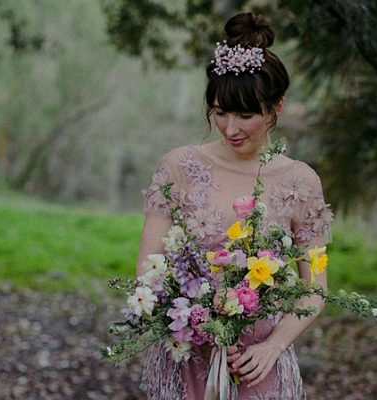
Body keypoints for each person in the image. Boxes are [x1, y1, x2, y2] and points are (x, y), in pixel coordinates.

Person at [136, 12, 333, 400]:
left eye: (246, 115)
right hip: (187, 353)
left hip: (258, 364)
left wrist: (272, 347)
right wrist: (194, 321)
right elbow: (148, 268)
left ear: (277, 107)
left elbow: (317, 289)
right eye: (220, 112)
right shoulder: (178, 167)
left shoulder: (301, 183)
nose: (230, 128)